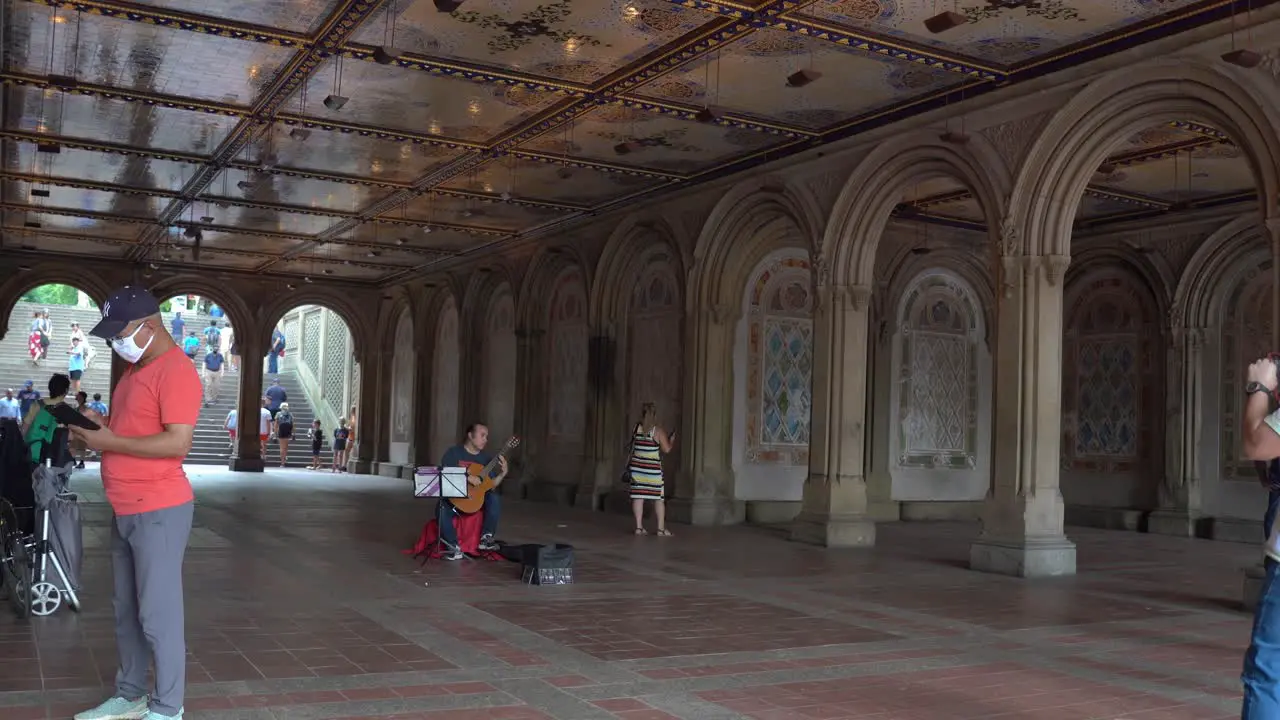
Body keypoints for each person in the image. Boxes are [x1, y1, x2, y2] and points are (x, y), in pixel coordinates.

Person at [69, 285, 201, 720]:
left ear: (148, 326)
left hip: (159, 508)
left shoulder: (175, 371)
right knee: (126, 610)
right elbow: (133, 430)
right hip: (125, 507)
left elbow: (177, 442)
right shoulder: (133, 370)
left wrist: (110, 439)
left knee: (158, 615)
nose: (114, 342)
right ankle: (128, 694)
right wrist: (99, 426)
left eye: (118, 333)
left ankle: (167, 707)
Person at [436, 423, 508, 560]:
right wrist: (468, 476)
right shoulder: (453, 453)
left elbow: (491, 485)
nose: (486, 439)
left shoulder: (486, 459)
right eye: (482, 435)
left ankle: (486, 538)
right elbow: (445, 473)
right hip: (456, 500)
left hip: (476, 501)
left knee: (494, 497)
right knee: (441, 508)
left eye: (486, 436)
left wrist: (503, 474)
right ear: (470, 435)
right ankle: (453, 547)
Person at [626, 402, 676, 536]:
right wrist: (671, 440)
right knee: (658, 499)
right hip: (652, 472)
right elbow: (666, 449)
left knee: (638, 497)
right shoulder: (658, 431)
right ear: (654, 415)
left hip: (637, 469)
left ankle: (638, 527)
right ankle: (660, 529)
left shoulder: (636, 428)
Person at [24, 373, 71, 465]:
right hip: (54, 456)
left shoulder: (37, 405)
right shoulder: (68, 410)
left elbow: (24, 428)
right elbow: (70, 437)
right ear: (66, 390)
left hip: (32, 452)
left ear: (50, 388)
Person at [274, 402, 294, 467]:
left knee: (282, 447)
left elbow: (276, 424)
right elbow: (293, 424)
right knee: (286, 447)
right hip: (288, 432)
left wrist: (275, 433)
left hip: (281, 431)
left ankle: (282, 462)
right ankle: (284, 459)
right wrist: (293, 432)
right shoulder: (290, 414)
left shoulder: (278, 414)